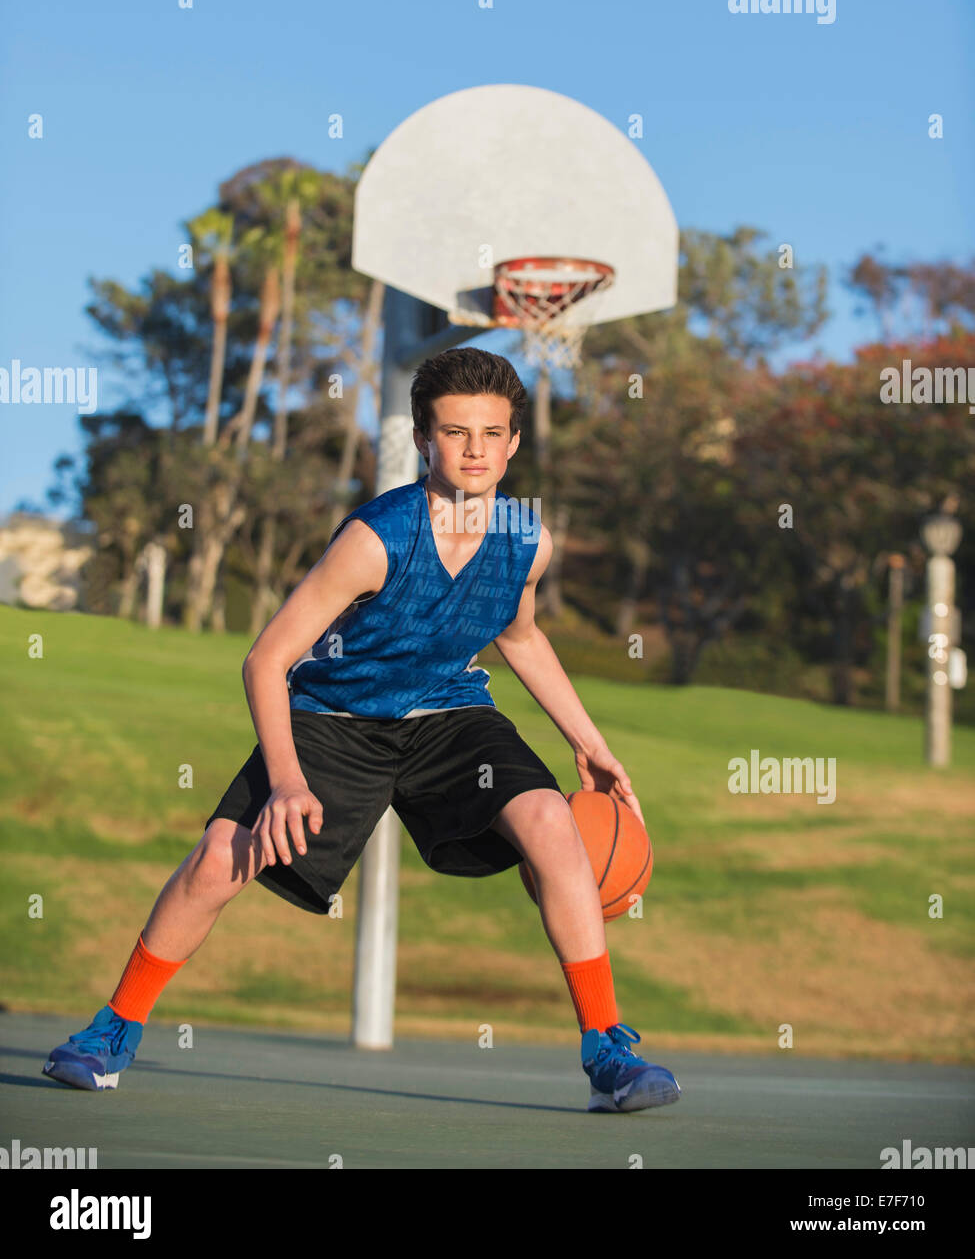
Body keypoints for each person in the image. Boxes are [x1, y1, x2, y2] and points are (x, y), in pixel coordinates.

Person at [43, 347, 680, 1113]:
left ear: (514, 443)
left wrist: (589, 742)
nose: (474, 449)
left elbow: (518, 637)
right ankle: (112, 1032)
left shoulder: (526, 540)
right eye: (454, 431)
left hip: (449, 717)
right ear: (422, 439)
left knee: (550, 818)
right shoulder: (375, 538)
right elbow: (266, 660)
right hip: (334, 719)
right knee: (220, 856)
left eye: (490, 433)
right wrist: (284, 781)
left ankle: (606, 1048)